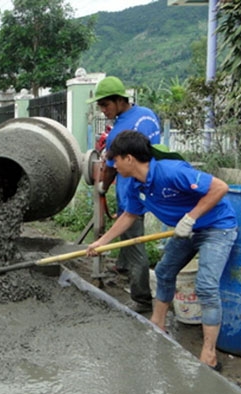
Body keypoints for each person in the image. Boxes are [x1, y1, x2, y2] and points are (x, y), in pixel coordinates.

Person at [86, 130, 237, 372]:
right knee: (165, 271)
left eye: (115, 160)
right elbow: (130, 215)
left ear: (129, 159)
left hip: (216, 228)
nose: (113, 166)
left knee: (206, 286)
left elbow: (220, 187)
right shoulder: (135, 185)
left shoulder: (171, 172)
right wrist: (102, 242)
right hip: (184, 230)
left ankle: (209, 354)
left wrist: (190, 218)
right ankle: (158, 325)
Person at [87, 76, 161, 313]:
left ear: (120, 100)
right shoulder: (148, 114)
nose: (103, 110)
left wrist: (103, 187)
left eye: (105, 105)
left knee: (134, 242)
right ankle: (123, 267)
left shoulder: (119, 130)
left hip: (132, 192)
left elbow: (109, 166)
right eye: (100, 106)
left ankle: (141, 298)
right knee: (127, 234)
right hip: (148, 186)